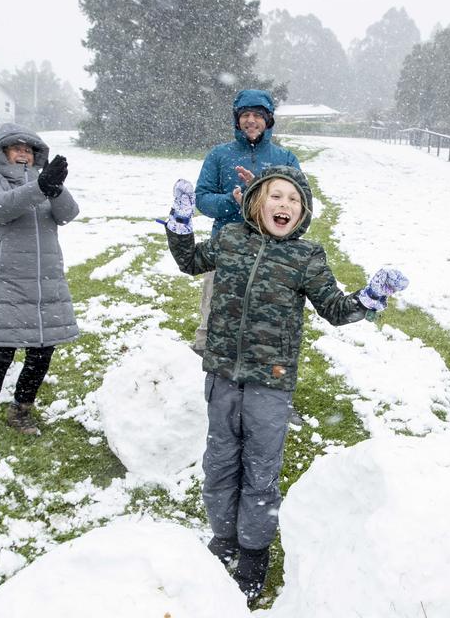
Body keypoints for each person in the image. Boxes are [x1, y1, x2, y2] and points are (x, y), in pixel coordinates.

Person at [162, 165, 409, 601]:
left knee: (259, 470)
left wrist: (369, 298)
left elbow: (334, 308)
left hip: (270, 384)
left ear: (304, 213)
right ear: (256, 201)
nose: (285, 205)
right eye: (276, 196)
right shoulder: (231, 239)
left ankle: (255, 552)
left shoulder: (306, 257)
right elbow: (189, 262)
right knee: (219, 461)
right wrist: (181, 221)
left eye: (294, 200)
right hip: (221, 372)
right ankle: (223, 538)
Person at [0, 123, 78, 461]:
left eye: (29, 149)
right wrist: (40, 187)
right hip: (6, 280)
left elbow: (69, 214)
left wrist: (54, 188)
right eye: (16, 148)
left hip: (44, 280)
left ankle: (21, 409)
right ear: (3, 152)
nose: (23, 153)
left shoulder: (44, 184)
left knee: (42, 351)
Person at [191, 88, 301, 355]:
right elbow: (203, 199)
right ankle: (205, 354)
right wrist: (233, 200)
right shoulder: (219, 155)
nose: (251, 120)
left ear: (269, 120)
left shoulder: (285, 159)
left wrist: (258, 200)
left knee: (262, 312)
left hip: (270, 249)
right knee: (215, 307)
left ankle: (256, 362)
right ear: (237, 119)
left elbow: (298, 204)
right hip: (224, 247)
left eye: (258, 115)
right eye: (245, 115)